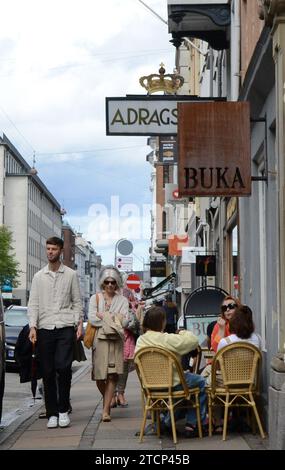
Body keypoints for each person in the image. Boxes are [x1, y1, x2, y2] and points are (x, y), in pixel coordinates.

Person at [27, 236, 83, 429]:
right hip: (45, 328)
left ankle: (62, 410)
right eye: (48, 248)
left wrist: (79, 323)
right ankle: (51, 413)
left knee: (64, 369)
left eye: (53, 249)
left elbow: (77, 302)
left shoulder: (71, 275)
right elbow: (33, 304)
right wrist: (32, 326)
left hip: (65, 326)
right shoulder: (38, 277)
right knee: (48, 372)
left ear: (60, 251)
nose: (50, 251)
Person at [135, 306, 208, 437]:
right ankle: (193, 424)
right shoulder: (166, 339)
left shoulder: (140, 340)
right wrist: (182, 332)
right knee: (201, 382)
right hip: (172, 384)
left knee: (185, 385)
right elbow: (193, 341)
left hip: (151, 387)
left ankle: (166, 422)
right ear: (162, 322)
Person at [88, 265, 128, 422]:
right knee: (99, 377)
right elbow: (92, 319)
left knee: (112, 376)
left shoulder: (123, 300)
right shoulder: (95, 298)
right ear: (103, 283)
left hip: (116, 341)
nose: (110, 285)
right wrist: (113, 317)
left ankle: (106, 411)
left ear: (117, 283)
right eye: (107, 282)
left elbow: (125, 321)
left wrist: (104, 316)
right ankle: (108, 398)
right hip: (100, 341)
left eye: (113, 282)